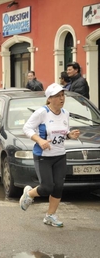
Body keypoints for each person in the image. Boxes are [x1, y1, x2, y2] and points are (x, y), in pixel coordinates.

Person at [20, 83, 80, 227]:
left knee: (58, 187)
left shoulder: (65, 113)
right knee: (47, 187)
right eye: (58, 96)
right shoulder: (42, 112)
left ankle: (50, 216)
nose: (62, 98)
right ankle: (29, 194)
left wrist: (70, 135)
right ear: (49, 99)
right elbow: (26, 128)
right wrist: (40, 140)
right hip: (43, 156)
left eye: (63, 95)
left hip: (60, 155)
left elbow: (62, 133)